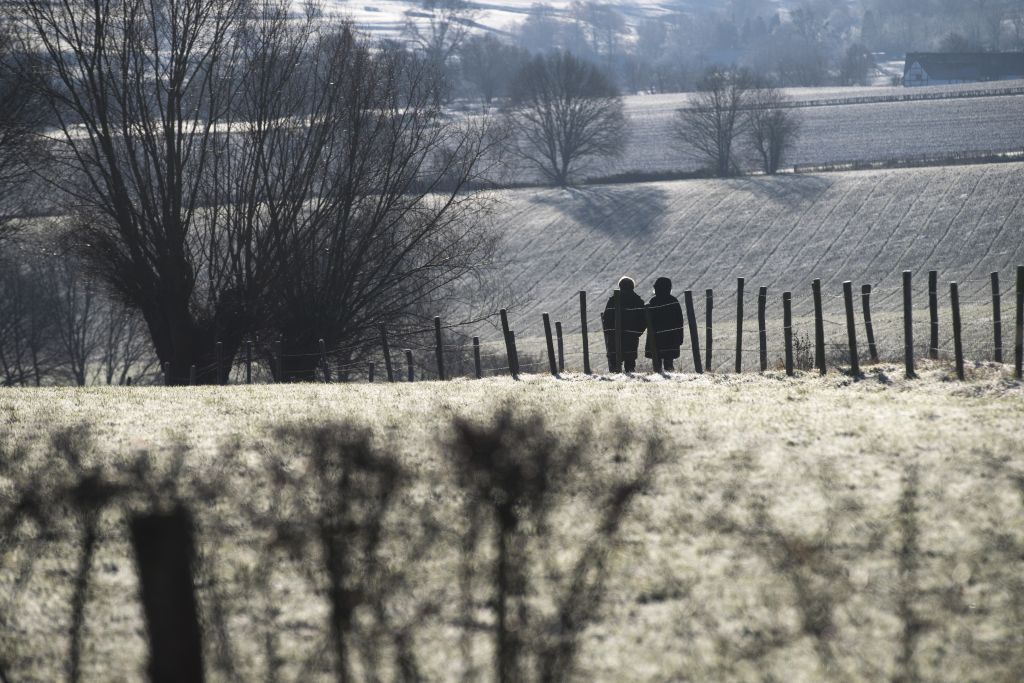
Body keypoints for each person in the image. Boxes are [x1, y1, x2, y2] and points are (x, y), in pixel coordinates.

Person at [601, 276, 647, 372]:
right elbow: (644, 320)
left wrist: (610, 332)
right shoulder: (638, 301)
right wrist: (637, 333)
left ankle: (615, 383)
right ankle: (630, 382)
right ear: (632, 286)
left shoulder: (613, 300)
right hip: (631, 337)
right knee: (630, 364)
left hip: (614, 337)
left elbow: (606, 318)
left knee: (614, 364)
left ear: (620, 286)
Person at [645, 277, 685, 372]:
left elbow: (648, 321)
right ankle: (670, 378)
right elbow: (680, 321)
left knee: (656, 361)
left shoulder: (653, 301)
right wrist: (680, 337)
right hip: (671, 337)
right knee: (669, 362)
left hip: (656, 337)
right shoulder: (673, 301)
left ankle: (657, 377)